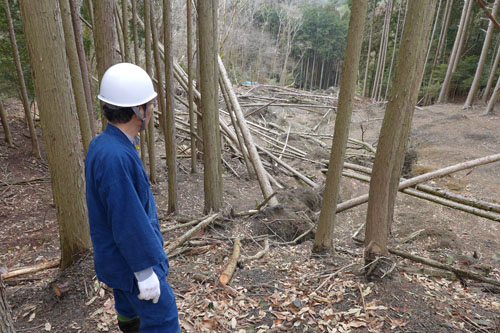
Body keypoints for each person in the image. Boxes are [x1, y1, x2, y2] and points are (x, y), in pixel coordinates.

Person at [85, 63, 180, 333]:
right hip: (132, 266)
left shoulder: (102, 144)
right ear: (139, 110)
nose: (152, 110)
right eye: (149, 104)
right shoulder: (116, 157)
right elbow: (127, 219)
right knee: (164, 319)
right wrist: (144, 271)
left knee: (128, 311)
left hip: (115, 263)